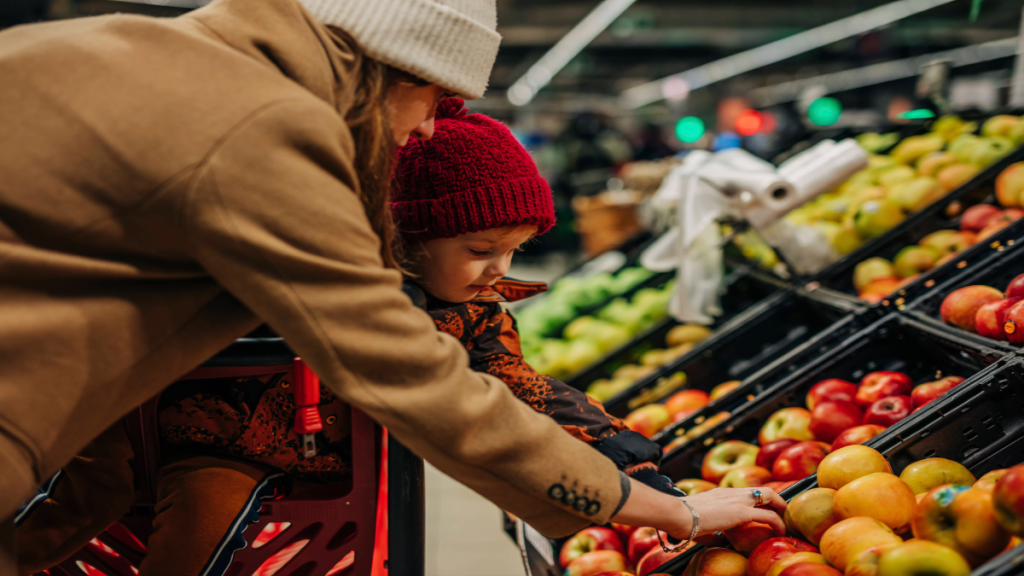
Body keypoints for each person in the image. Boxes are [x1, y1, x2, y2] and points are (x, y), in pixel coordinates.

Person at [0, 0, 786, 570]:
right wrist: (663, 509)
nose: (430, 130)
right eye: (434, 100)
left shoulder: (125, 48)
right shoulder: (264, 127)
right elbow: (412, 378)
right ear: (387, 68)